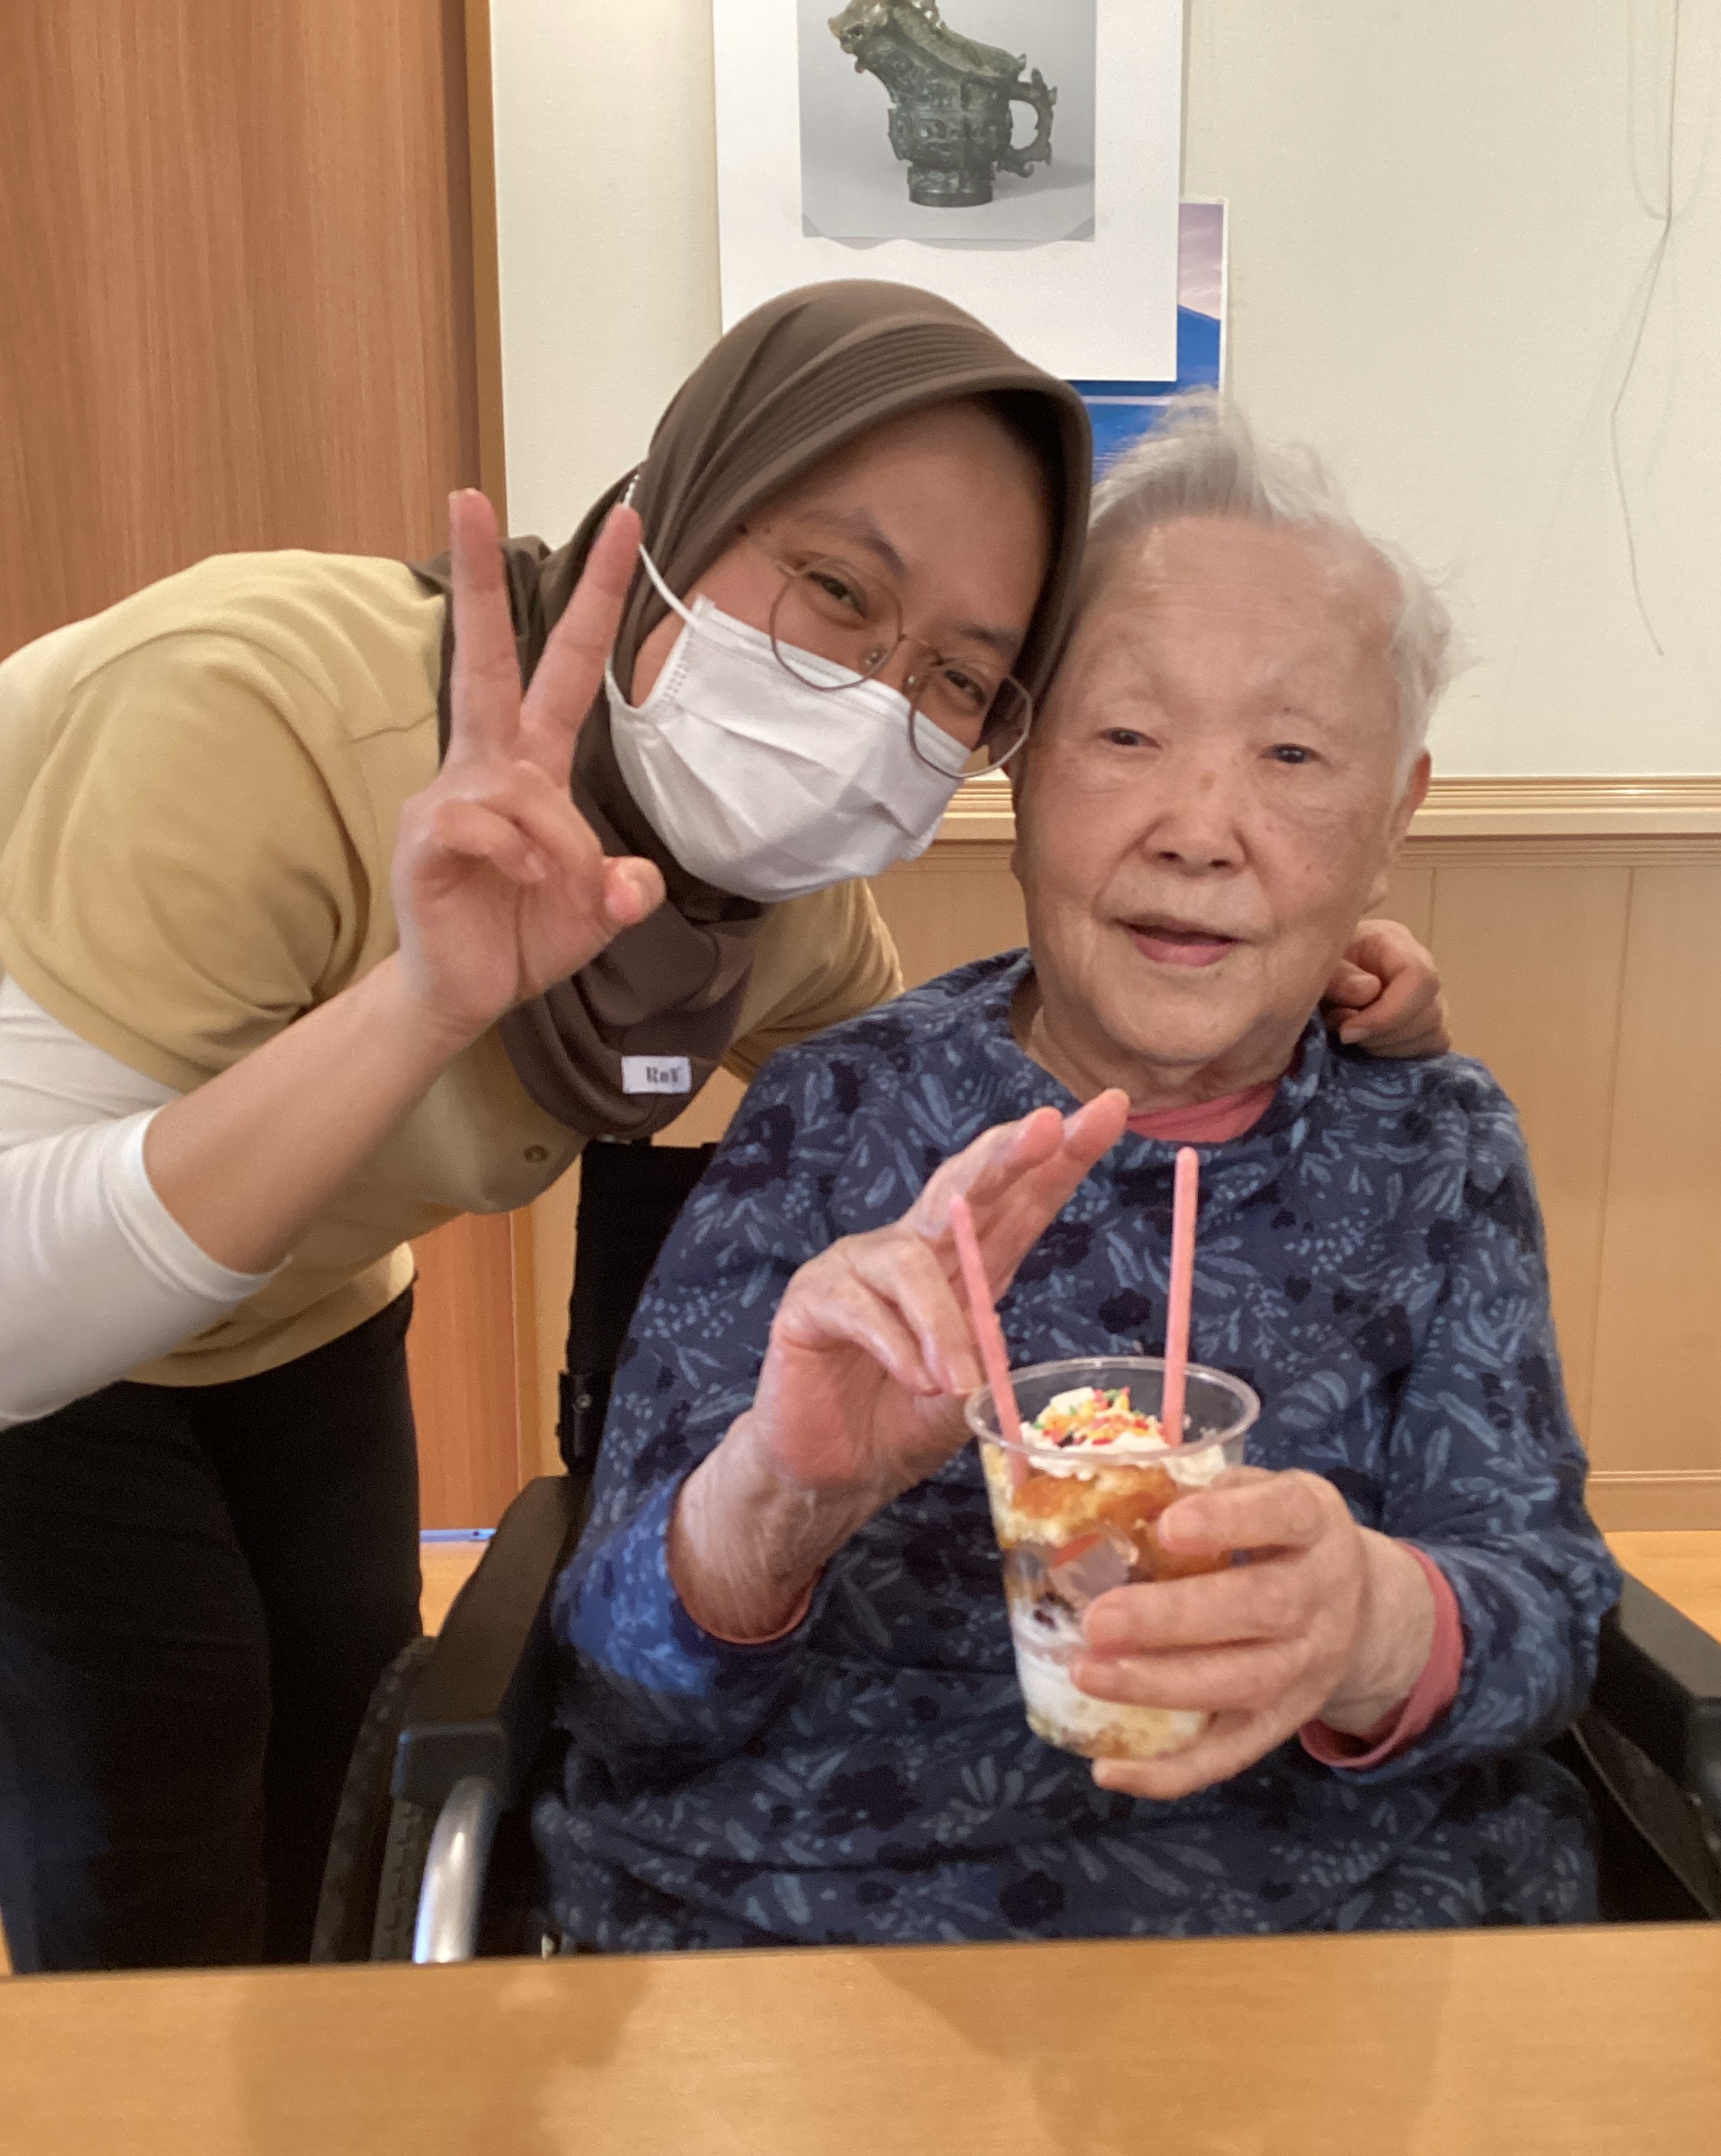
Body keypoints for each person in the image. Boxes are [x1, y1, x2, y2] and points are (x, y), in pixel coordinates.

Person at [0, 281, 1440, 1977]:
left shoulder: (776, 913)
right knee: (151, 1805)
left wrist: (1303, 1014)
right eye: (837, 589)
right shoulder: (250, 713)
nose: (876, 696)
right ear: (687, 509)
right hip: (46, 1308)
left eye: (962, 676)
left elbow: (965, 1101)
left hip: (305, 1297)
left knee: (341, 1766)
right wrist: (425, 1001)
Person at [534, 398, 1624, 1952]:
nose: (1199, 830)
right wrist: (783, 1492)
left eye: (1294, 754)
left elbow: (1550, 1616)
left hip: (1333, 1948)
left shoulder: (1435, 1149)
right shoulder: (838, 1110)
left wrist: (1376, 1622)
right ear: (1023, 769)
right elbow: (612, 1682)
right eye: (1126, 735)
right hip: (816, 1933)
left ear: (1395, 819)